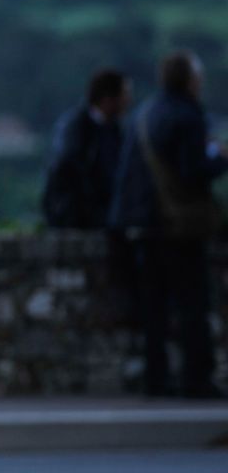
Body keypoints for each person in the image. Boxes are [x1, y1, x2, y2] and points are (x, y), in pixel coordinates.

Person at [108, 50, 226, 398]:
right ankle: (197, 379)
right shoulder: (187, 116)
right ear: (191, 80)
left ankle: (156, 380)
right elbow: (192, 171)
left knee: (154, 310)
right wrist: (219, 160)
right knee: (193, 304)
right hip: (177, 225)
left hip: (143, 224)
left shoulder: (146, 113)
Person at [42, 68, 128, 230]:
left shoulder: (114, 129)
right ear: (108, 98)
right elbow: (68, 169)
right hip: (79, 218)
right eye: (124, 95)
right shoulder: (76, 128)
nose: (128, 100)